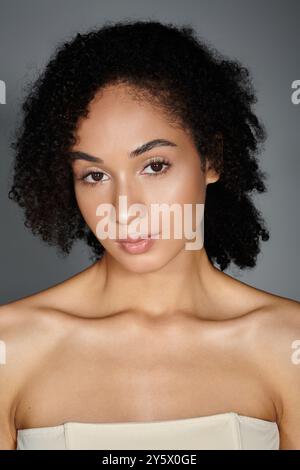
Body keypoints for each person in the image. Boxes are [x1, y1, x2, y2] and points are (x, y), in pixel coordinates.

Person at [1, 19, 299, 450]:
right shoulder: (9, 347)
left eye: (154, 165)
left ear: (211, 159)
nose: (125, 208)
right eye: (95, 174)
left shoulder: (288, 344)